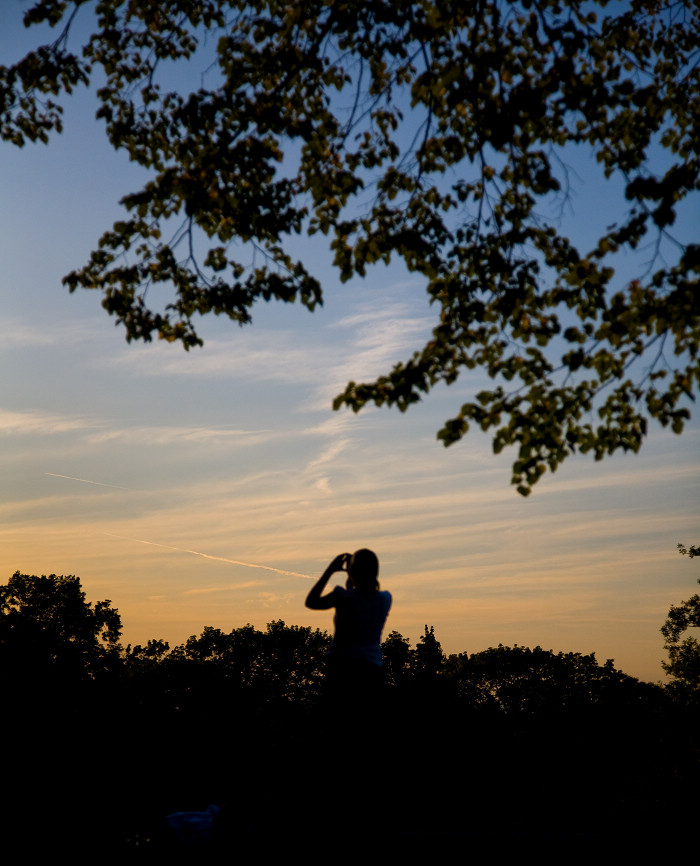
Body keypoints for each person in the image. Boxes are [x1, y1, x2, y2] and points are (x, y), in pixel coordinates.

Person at [305, 549, 391, 701]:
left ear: (352, 572)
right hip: (371, 670)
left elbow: (311, 601)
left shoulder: (342, 596)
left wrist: (330, 570)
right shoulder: (385, 599)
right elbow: (362, 603)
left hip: (341, 669)